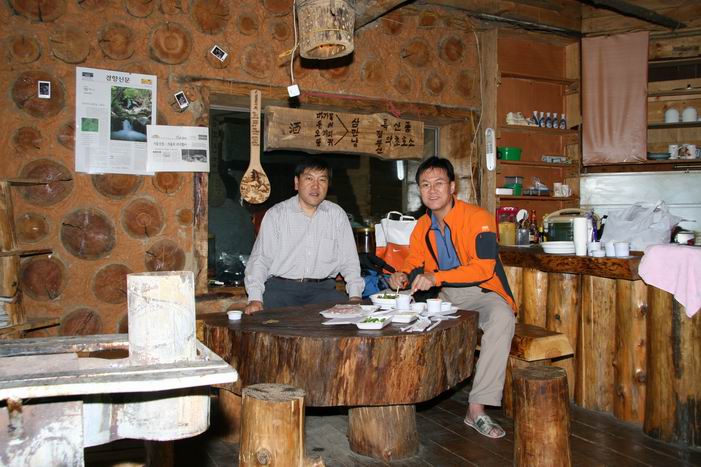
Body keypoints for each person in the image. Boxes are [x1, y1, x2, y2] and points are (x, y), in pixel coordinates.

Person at [388, 156, 516, 439]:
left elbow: (484, 268)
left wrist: (436, 277)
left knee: (503, 318)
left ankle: (476, 408)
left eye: (439, 183)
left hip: (483, 291)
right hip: (445, 294)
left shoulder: (479, 218)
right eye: (425, 185)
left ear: (452, 187)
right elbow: (413, 260)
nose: (432, 190)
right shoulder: (422, 225)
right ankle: (399, 394)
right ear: (419, 190)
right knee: (396, 310)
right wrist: (401, 275)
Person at [244, 156, 364, 314]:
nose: (316, 186)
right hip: (281, 291)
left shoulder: (337, 215)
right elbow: (260, 259)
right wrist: (255, 298)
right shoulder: (277, 214)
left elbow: (349, 261)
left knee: (348, 319)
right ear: (296, 183)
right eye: (309, 178)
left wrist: (355, 296)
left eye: (322, 180)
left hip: (322, 292)